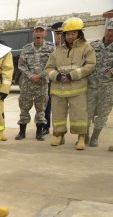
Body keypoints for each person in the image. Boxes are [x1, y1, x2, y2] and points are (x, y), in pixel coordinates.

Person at [44, 17, 96, 150]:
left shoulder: (87, 48)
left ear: (79, 33)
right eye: (67, 33)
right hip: (58, 89)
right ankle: (59, 136)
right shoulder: (58, 51)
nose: (70, 36)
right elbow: (48, 68)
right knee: (58, 115)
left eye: (73, 33)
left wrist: (71, 76)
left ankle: (81, 137)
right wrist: (56, 76)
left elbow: (90, 65)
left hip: (77, 89)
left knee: (79, 115)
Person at [15, 22, 54, 141]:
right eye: (36, 31)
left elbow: (52, 65)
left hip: (42, 84)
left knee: (41, 109)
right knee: (24, 108)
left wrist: (40, 76)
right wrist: (31, 76)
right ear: (33, 33)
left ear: (45, 33)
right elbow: (21, 65)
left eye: (41, 31)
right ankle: (22, 132)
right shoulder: (26, 48)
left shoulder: (50, 48)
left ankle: (39, 132)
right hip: (27, 83)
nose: (38, 33)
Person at [86, 20, 113, 147]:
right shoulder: (93, 46)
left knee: (102, 113)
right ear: (105, 30)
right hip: (91, 86)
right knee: (87, 112)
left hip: (107, 88)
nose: (111, 33)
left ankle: (95, 137)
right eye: (109, 30)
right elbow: (84, 63)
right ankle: (84, 135)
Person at [42, 22, 65, 138]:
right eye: (56, 33)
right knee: (48, 104)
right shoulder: (49, 47)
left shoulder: (68, 47)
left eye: (61, 33)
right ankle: (46, 127)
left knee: (62, 107)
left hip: (66, 80)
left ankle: (62, 131)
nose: (58, 36)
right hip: (51, 79)